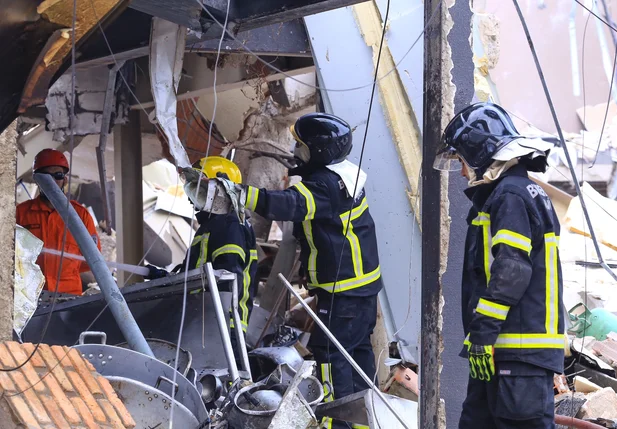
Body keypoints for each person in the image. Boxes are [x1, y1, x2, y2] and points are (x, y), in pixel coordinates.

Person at [211, 112, 383, 429]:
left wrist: (238, 193)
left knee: (332, 362)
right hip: (360, 292)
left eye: (301, 144)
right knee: (359, 362)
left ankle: (337, 425)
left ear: (317, 151)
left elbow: (288, 205)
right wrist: (308, 268)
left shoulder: (325, 186)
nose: (296, 149)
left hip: (343, 295)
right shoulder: (345, 177)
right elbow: (324, 231)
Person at [434, 102, 564, 429]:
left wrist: (482, 334)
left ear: (480, 153)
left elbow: (511, 270)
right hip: (505, 353)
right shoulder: (514, 192)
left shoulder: (511, 195)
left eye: (462, 161)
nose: (463, 172)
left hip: (517, 354)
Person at [149, 156, 258, 355]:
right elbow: (196, 276)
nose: (191, 194)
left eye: (199, 187)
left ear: (220, 191)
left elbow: (227, 278)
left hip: (221, 325)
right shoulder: (212, 225)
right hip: (202, 324)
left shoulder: (229, 225)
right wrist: (167, 280)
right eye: (191, 186)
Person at [16, 149, 101, 295]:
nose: (52, 181)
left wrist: (65, 274)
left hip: (69, 296)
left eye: (58, 175)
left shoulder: (80, 215)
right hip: (30, 296)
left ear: (65, 180)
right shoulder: (21, 213)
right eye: (46, 176)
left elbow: (91, 260)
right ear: (37, 179)